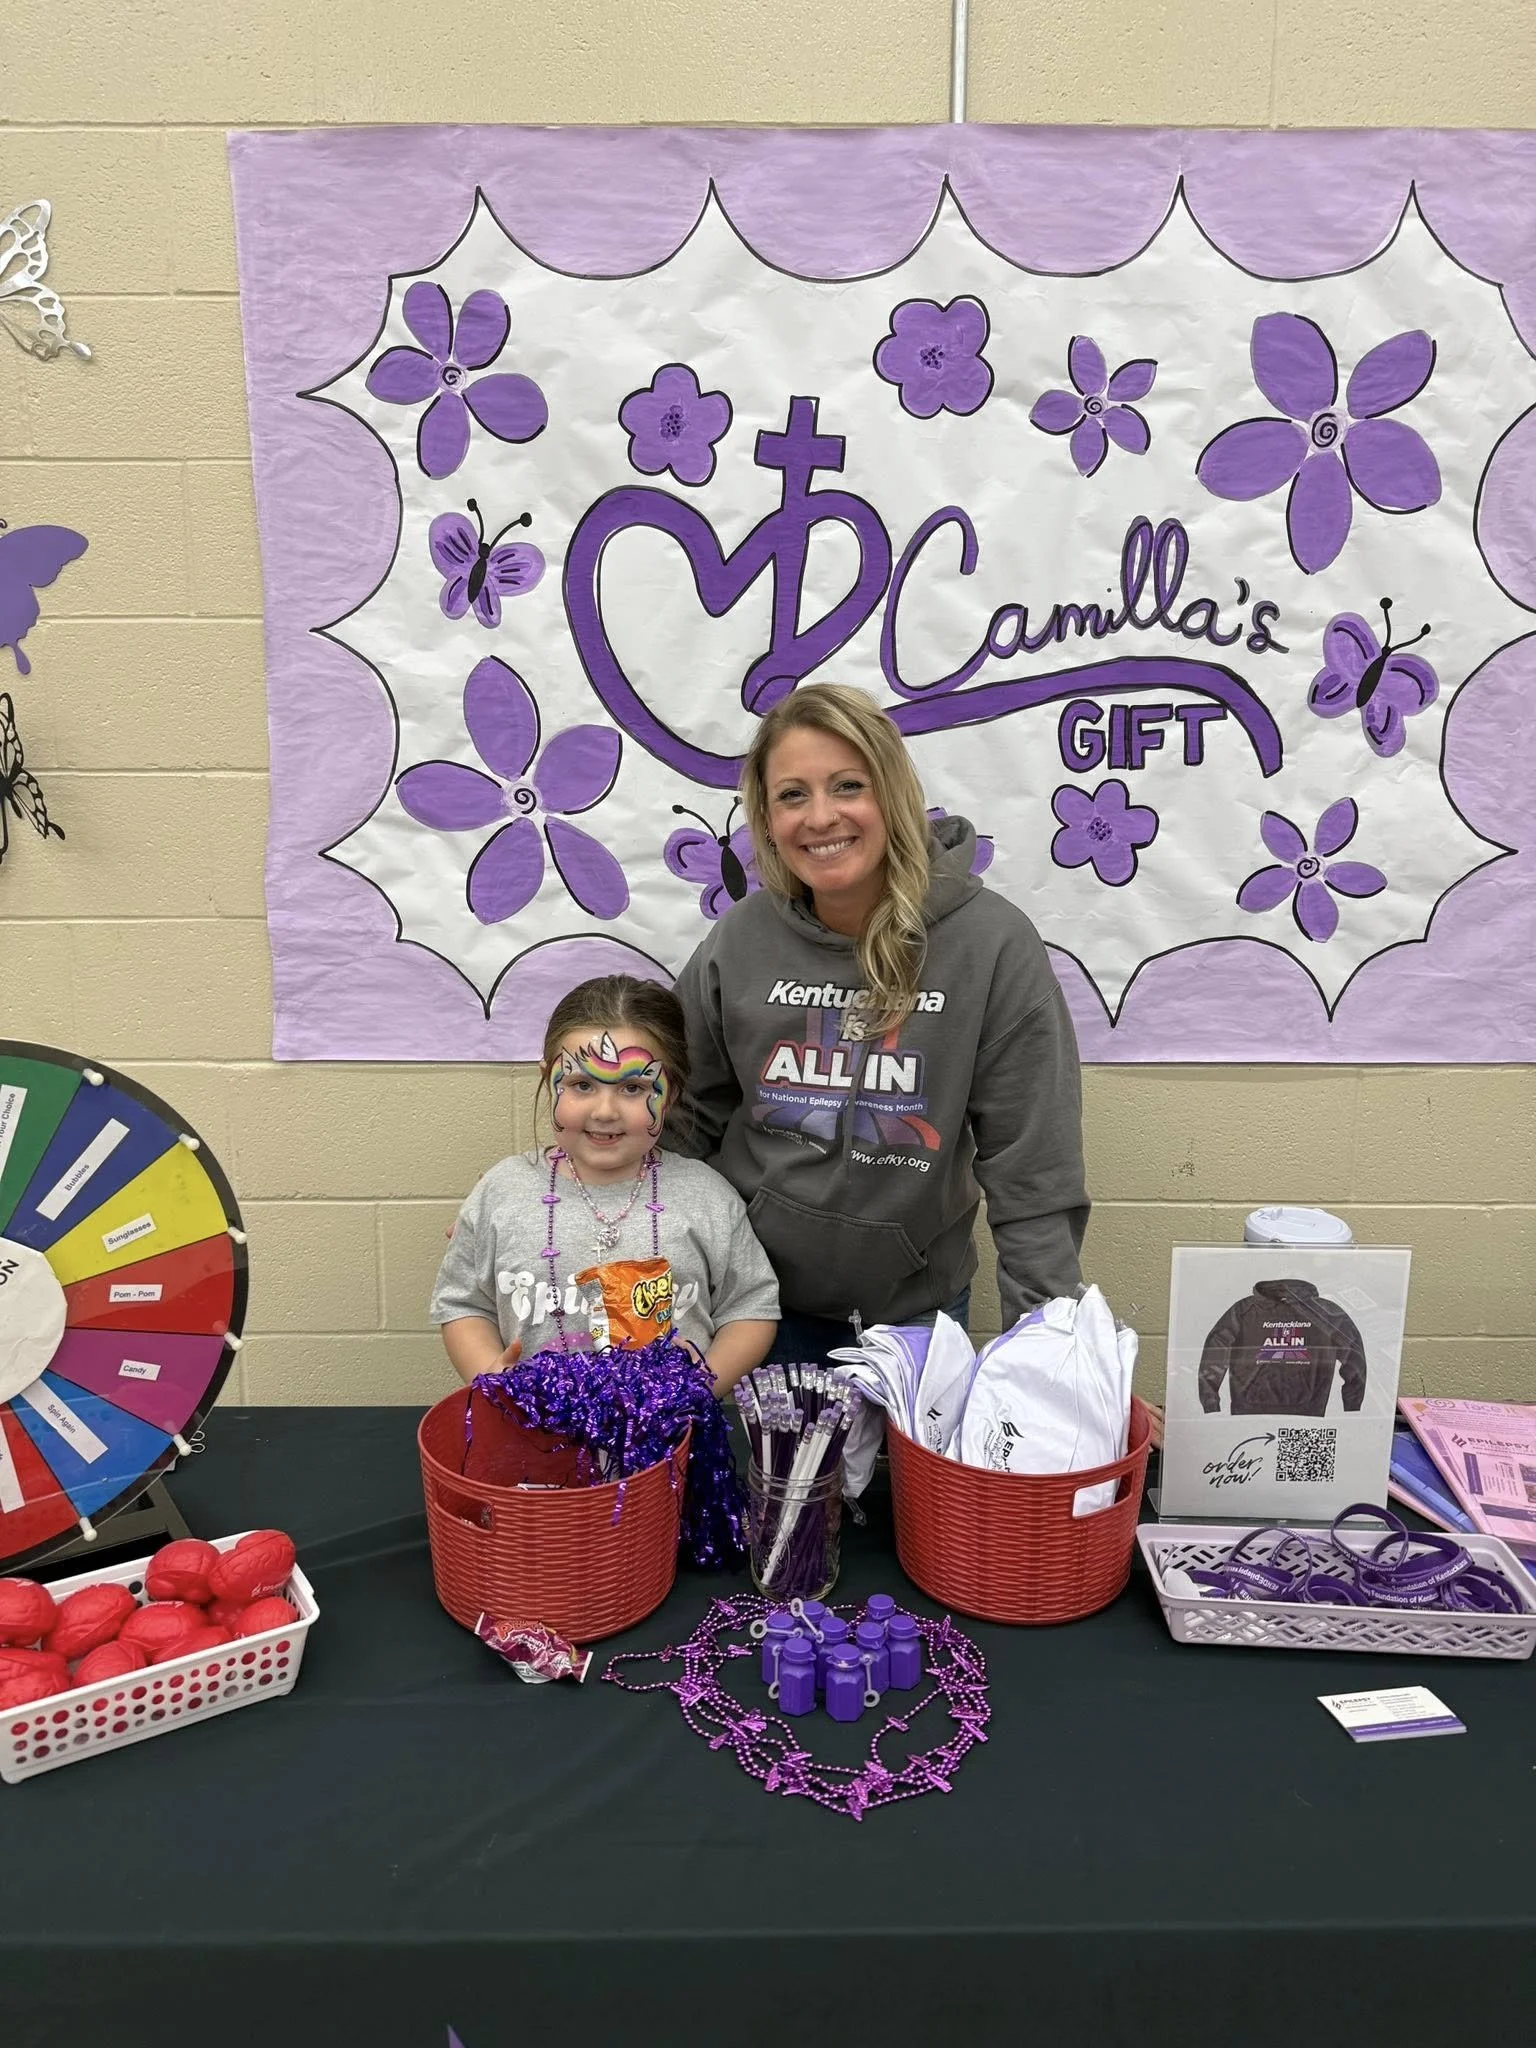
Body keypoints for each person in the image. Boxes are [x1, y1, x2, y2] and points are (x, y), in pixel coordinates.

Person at [672, 682, 1088, 1368]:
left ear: (891, 793)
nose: (820, 817)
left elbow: (1033, 1174)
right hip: (752, 1309)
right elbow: (678, 1121)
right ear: (765, 818)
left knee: (904, 1483)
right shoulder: (739, 941)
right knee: (766, 1481)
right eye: (792, 795)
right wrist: (566, 1218)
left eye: (847, 786)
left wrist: (1056, 1371)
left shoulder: (991, 946)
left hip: (912, 1316)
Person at [432, 975, 779, 1393]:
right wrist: (492, 1378)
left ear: (670, 1095)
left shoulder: (708, 1196)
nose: (604, 1111)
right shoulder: (501, 1191)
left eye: (634, 1088)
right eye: (581, 1085)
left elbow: (751, 1307)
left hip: (671, 1439)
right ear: (548, 1081)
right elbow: (464, 1303)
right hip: (532, 1435)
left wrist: (702, 1384)